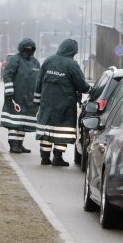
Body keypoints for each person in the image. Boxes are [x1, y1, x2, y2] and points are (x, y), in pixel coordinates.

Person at [34, 38, 90, 166]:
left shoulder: (48, 61)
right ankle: (57, 158)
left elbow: (39, 81)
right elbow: (80, 84)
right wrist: (90, 89)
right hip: (65, 104)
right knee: (62, 130)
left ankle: (45, 157)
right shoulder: (72, 64)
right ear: (73, 51)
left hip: (46, 103)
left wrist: (37, 100)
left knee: (46, 130)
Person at [0, 38, 40, 153]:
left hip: (30, 97)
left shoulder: (35, 62)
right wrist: (9, 92)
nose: (28, 50)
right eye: (26, 48)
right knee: (14, 121)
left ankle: (20, 143)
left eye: (30, 48)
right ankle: (13, 144)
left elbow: (38, 78)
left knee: (23, 121)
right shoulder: (15, 60)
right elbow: (8, 75)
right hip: (15, 96)